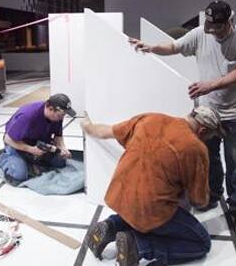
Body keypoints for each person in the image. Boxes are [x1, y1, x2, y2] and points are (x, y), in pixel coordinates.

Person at [128, 0, 236, 232]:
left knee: (235, 160)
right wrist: (150, 47)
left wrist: (210, 86)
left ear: (230, 21)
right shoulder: (201, 33)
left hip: (232, 113)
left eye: (217, 28)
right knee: (209, 157)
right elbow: (174, 47)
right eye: (209, 26)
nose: (212, 32)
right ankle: (213, 193)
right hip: (206, 114)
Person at [82, 106, 224, 266]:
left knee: (139, 206)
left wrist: (86, 125)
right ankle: (138, 246)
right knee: (202, 243)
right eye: (211, 136)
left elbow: (105, 132)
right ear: (202, 131)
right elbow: (199, 200)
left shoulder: (150, 118)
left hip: (118, 196)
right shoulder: (196, 149)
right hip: (149, 211)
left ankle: (110, 225)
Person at [0, 93, 76, 184]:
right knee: (19, 175)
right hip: (16, 143)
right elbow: (8, 139)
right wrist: (31, 149)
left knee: (60, 162)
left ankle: (30, 160)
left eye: (63, 115)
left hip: (38, 142)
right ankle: (6, 157)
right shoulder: (27, 116)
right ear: (50, 109)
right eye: (60, 115)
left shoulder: (57, 116)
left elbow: (58, 135)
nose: (61, 118)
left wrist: (63, 148)